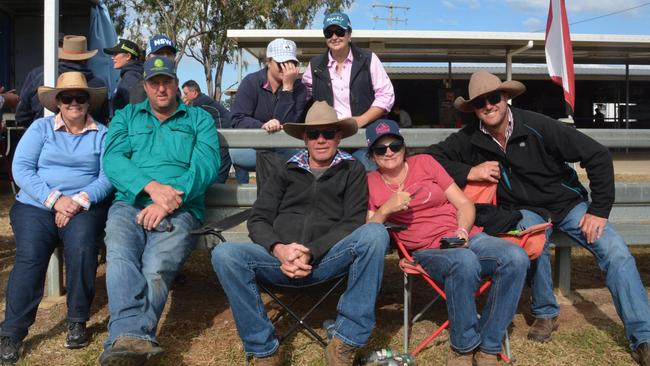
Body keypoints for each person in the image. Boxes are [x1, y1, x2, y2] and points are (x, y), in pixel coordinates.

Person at [427, 70, 650, 365]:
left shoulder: (538, 124)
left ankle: (643, 336)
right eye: (480, 103)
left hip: (568, 204)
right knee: (532, 237)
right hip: (524, 209)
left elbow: (597, 155)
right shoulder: (469, 138)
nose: (488, 106)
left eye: (494, 98)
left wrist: (599, 210)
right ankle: (546, 312)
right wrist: (471, 171)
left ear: (505, 98)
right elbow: (429, 160)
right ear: (474, 109)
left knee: (616, 252)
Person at [211, 101, 389, 366]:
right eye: (313, 134)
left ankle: (345, 342)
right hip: (277, 260)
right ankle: (264, 351)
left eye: (328, 133)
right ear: (304, 138)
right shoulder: (285, 170)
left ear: (338, 136)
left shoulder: (352, 169)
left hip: (327, 260)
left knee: (375, 234)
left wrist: (311, 251)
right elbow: (258, 219)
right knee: (224, 254)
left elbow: (352, 222)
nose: (321, 140)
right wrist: (279, 249)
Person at [365, 119, 528, 366]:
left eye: (394, 145)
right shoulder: (371, 182)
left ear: (403, 147)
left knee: (516, 257)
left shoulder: (426, 163)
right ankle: (463, 348)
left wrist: (462, 230)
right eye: (381, 149)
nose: (389, 152)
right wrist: (388, 207)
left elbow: (464, 203)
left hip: (465, 237)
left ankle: (488, 347)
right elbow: (369, 230)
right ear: (373, 155)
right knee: (464, 261)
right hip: (426, 250)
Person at [98, 56, 220, 365]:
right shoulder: (126, 117)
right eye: (155, 83)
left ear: (177, 84)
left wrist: (167, 201)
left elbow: (206, 166)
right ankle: (134, 337)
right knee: (120, 252)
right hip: (130, 202)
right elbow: (113, 160)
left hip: (180, 208)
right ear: (146, 86)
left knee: (156, 264)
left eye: (167, 81)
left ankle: (126, 338)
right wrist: (152, 189)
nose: (161, 88)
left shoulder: (199, 120)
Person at [0, 72, 112, 364]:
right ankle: (11, 332)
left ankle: (77, 320)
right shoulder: (40, 129)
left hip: (81, 206)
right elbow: (22, 170)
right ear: (58, 103)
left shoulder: (103, 134)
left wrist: (75, 202)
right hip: (37, 205)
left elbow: (107, 176)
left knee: (83, 245)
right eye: (67, 97)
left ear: (88, 102)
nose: (74, 102)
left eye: (80, 97)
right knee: (31, 254)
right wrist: (55, 200)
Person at [302, 11, 395, 170]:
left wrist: (360, 120)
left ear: (349, 34)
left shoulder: (368, 59)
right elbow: (304, 96)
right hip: (330, 137)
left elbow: (386, 96)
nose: (334, 37)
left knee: (364, 171)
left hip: (365, 134)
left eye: (339, 31)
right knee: (331, 180)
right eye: (328, 33)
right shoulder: (315, 65)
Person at [230, 38, 307, 183]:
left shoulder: (299, 89)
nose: (286, 68)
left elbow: (288, 124)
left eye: (292, 63)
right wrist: (262, 125)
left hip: (283, 147)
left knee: (298, 159)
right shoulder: (251, 82)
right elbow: (237, 119)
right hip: (251, 147)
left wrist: (287, 89)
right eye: (281, 63)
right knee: (273, 159)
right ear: (268, 62)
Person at [15, 35, 108, 126]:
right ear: (86, 59)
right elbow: (102, 118)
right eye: (66, 99)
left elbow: (22, 116)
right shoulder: (98, 84)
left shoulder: (38, 76)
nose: (74, 103)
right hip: (89, 139)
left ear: (62, 56)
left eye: (81, 98)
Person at [182, 79, 233, 183]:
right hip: (222, 137)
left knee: (218, 173)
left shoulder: (199, 104)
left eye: (186, 93)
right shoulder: (202, 100)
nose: (184, 97)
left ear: (194, 92)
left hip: (222, 138)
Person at [129, 35, 178, 105]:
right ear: (147, 58)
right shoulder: (141, 89)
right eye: (159, 53)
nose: (165, 57)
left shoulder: (174, 83)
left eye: (169, 54)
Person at [103, 38, 143, 118]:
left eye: (116, 53)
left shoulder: (131, 78)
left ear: (128, 56)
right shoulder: (131, 75)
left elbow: (137, 111)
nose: (112, 57)